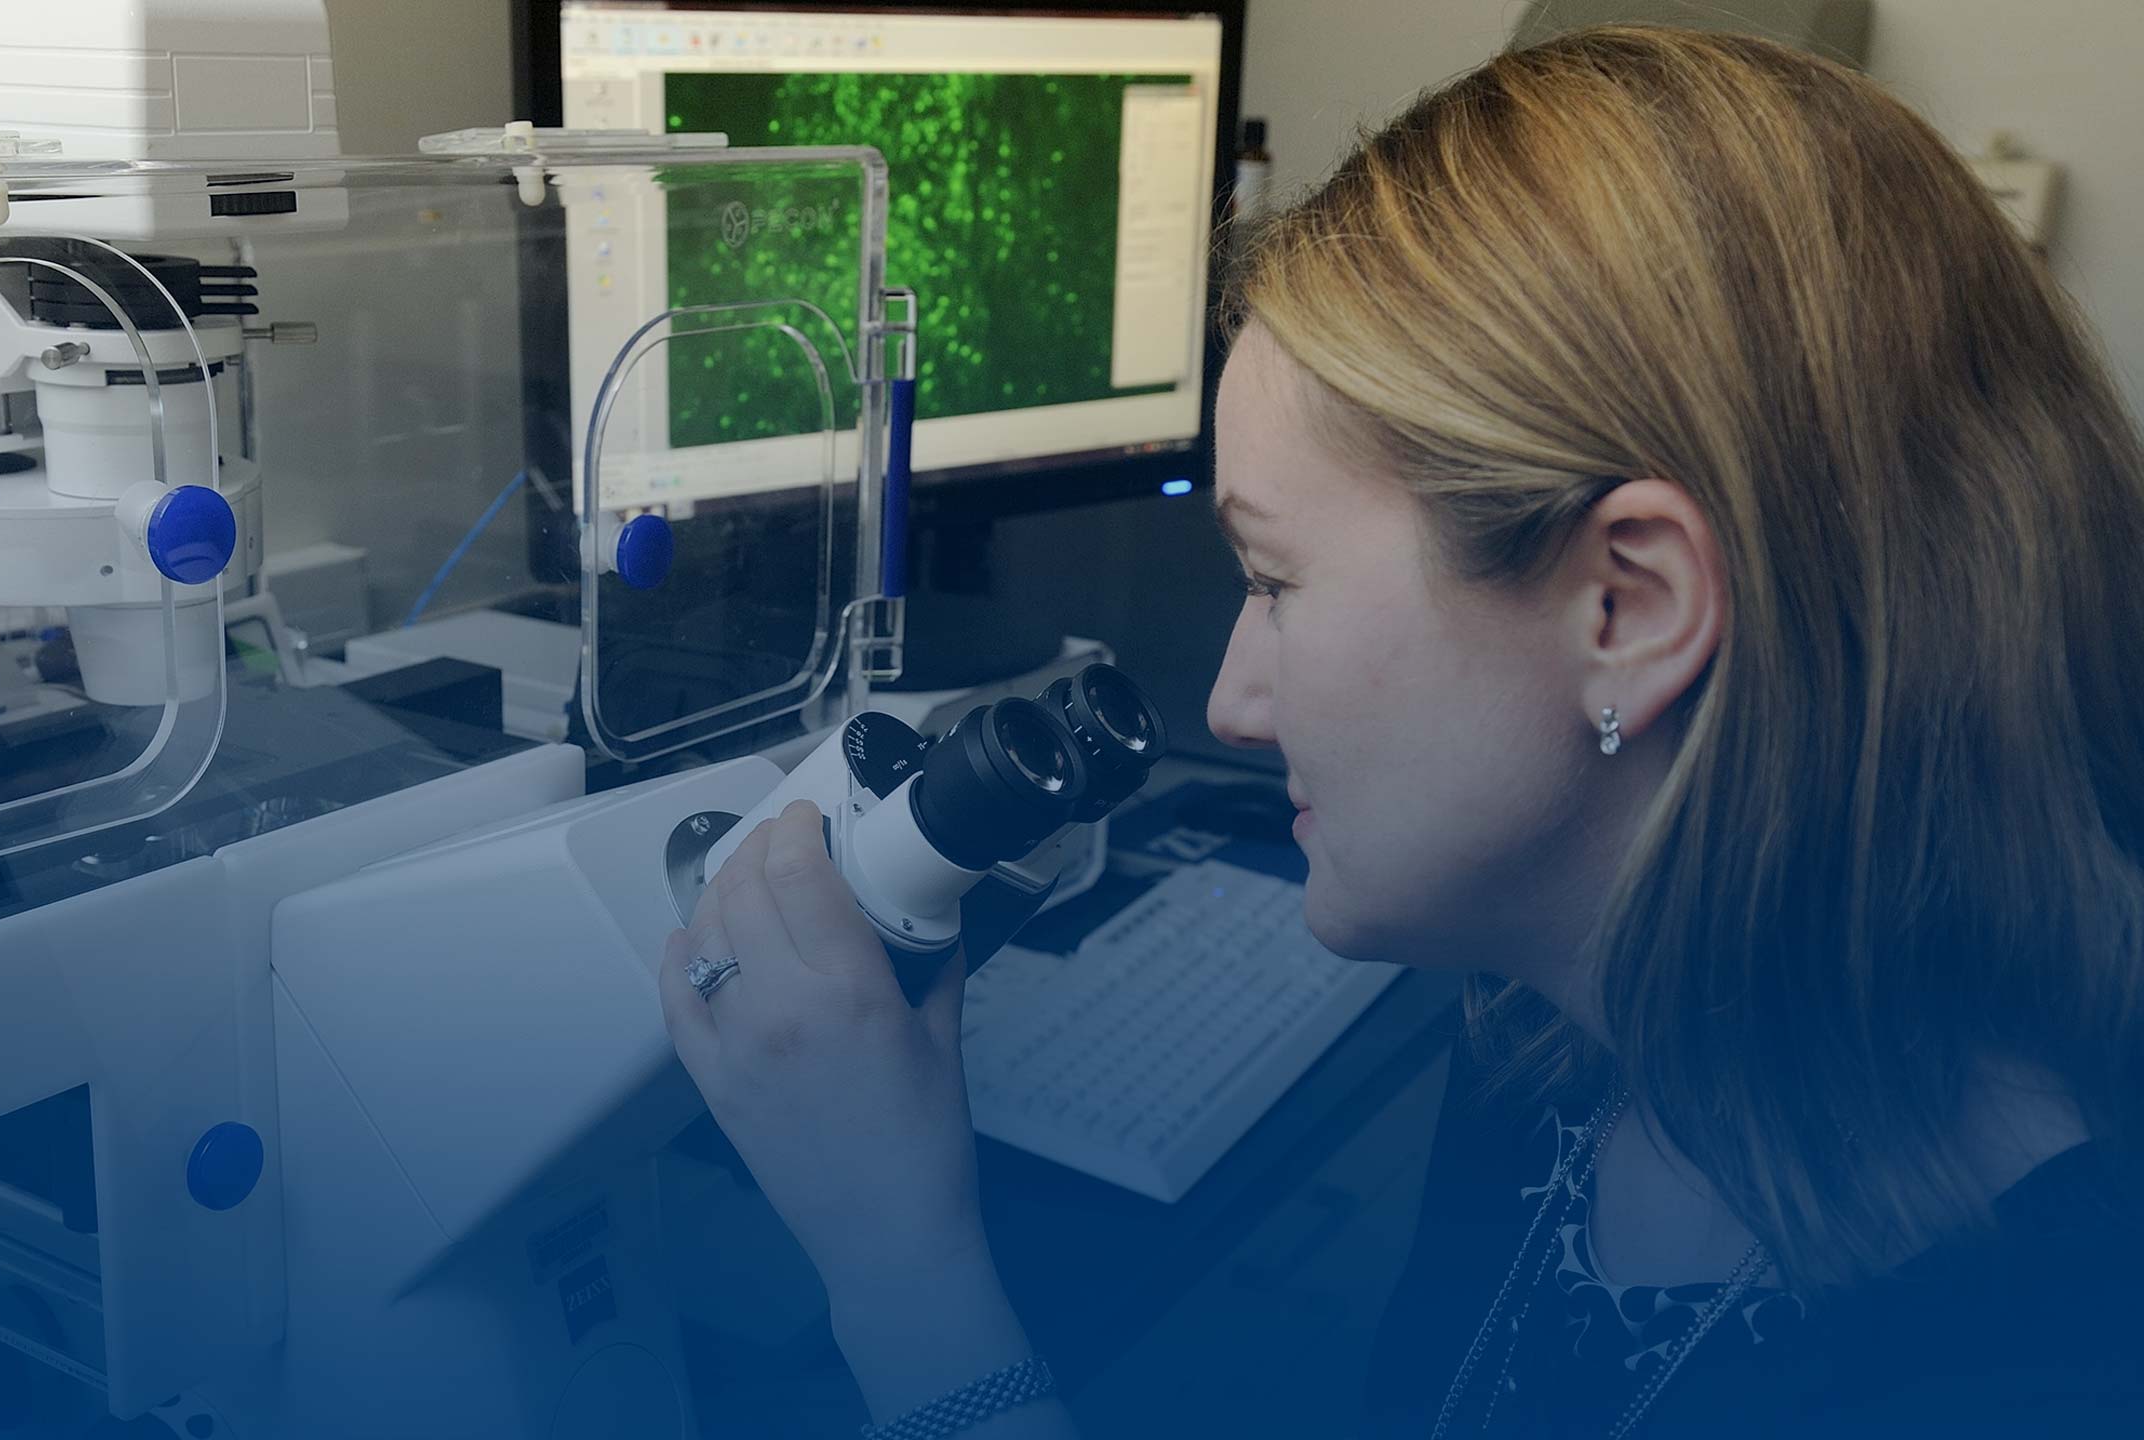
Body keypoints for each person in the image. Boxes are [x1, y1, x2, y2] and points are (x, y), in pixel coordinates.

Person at [655, 25, 2144, 1439]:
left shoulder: (2037, 1380)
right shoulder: (1561, 1050)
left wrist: (902, 1271)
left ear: (1626, 605)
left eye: (1275, 580)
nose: (1232, 703)